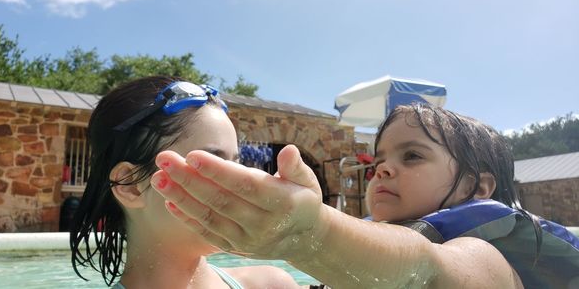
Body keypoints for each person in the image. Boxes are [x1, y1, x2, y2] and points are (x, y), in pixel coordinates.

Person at [152, 103, 579, 288]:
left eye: (412, 156)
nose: (383, 168)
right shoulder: (373, 239)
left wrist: (306, 235)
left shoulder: (484, 256)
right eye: (380, 159)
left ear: (478, 188)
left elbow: (423, 275)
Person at [69, 76, 301, 289]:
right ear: (129, 186)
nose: (239, 182)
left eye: (235, 165)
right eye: (211, 165)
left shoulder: (271, 284)